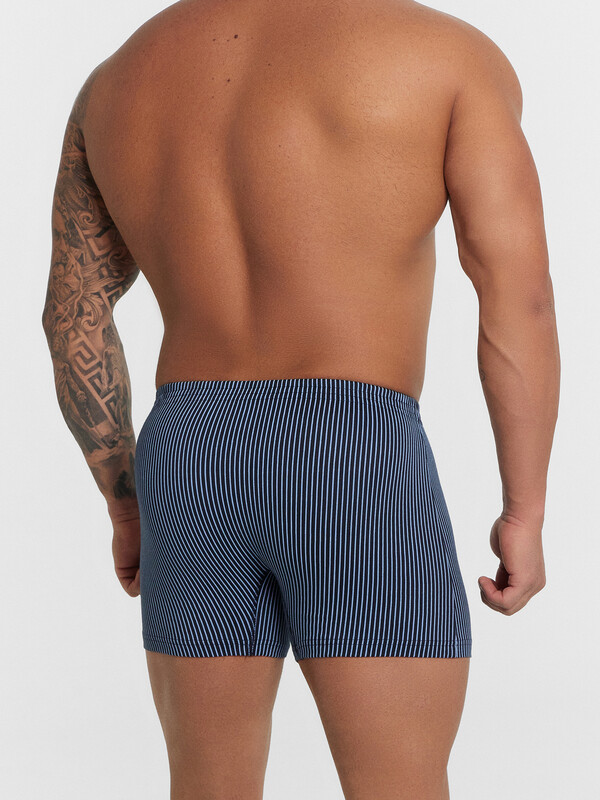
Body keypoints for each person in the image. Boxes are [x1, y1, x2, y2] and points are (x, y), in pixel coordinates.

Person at [41, 0, 560, 797]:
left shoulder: (117, 81)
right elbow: (518, 296)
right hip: (355, 455)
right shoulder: (446, 55)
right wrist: (523, 512)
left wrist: (126, 504)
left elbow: (71, 315)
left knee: (206, 787)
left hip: (188, 457)